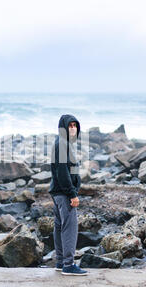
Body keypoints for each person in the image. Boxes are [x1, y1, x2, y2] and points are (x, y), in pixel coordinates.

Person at [48, 114, 88, 276]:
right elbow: (62, 172)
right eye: (70, 125)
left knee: (59, 226)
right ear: (63, 127)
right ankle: (69, 264)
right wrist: (72, 194)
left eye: (75, 125)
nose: (73, 128)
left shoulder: (64, 144)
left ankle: (60, 261)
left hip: (59, 192)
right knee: (69, 228)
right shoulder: (62, 144)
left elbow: (70, 170)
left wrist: (75, 186)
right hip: (64, 194)